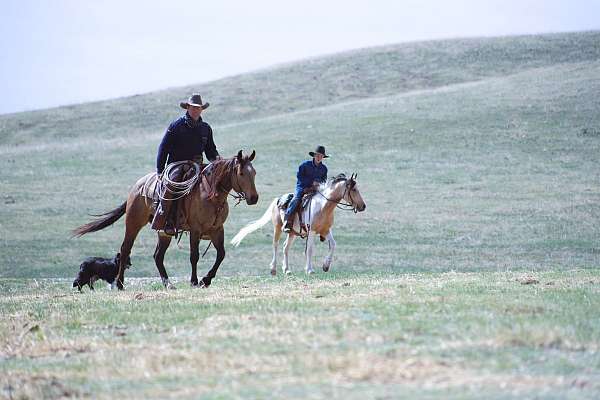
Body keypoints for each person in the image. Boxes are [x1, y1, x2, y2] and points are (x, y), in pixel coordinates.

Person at [151, 93, 221, 235]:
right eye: (193, 107)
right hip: (176, 165)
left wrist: (217, 159)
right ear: (188, 108)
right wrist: (159, 170)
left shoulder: (205, 128)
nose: (196, 110)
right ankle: (166, 221)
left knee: (213, 184)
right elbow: (163, 148)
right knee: (172, 186)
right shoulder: (176, 126)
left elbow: (210, 150)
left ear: (202, 109)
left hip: (197, 165)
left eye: (199, 108)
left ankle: (208, 221)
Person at [283, 145, 329, 233]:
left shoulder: (324, 169)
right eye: (318, 155)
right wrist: (310, 183)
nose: (319, 157)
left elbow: (324, 180)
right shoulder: (304, 165)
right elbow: (299, 177)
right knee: (296, 199)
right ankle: (287, 220)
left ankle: (323, 224)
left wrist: (318, 184)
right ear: (314, 156)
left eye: (321, 156)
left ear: (323, 157)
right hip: (302, 187)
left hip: (316, 189)